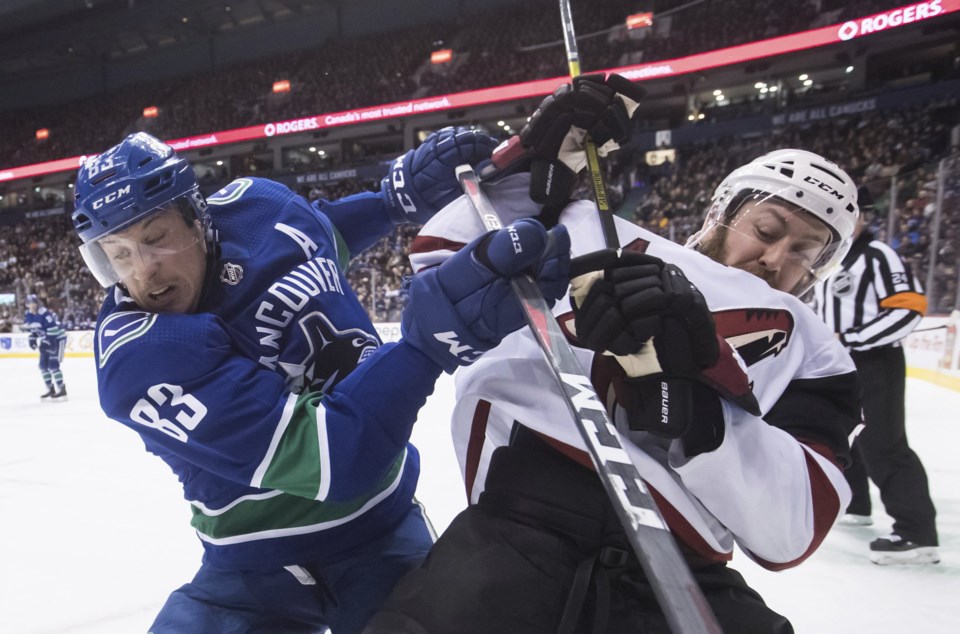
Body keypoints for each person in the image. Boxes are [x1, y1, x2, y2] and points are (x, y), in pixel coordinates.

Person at [364, 75, 862, 633]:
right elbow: (443, 253)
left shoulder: (818, 353)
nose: (775, 257)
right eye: (767, 229)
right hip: (515, 531)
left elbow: (795, 528)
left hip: (683, 564)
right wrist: (531, 160)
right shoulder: (599, 231)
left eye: (804, 252)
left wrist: (699, 413)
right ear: (720, 211)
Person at [70, 130, 570, 633]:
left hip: (382, 532)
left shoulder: (258, 205)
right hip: (247, 574)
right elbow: (340, 457)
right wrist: (426, 346)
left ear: (198, 218)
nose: (144, 275)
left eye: (155, 238)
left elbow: (316, 234)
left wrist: (392, 202)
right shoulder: (139, 356)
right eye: (118, 255)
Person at [811, 205, 938, 565]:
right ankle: (858, 504)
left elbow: (908, 307)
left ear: (864, 216)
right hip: (842, 361)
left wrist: (852, 337)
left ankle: (917, 533)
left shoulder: (879, 255)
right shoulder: (832, 258)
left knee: (885, 444)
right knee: (848, 432)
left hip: (875, 361)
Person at [23, 293, 68, 401]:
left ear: (37, 303)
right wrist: (32, 339)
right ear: (27, 304)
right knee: (43, 366)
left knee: (53, 365)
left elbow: (54, 330)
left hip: (57, 339)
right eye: (30, 303)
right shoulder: (28, 315)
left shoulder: (44, 313)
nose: (32, 305)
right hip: (46, 340)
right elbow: (33, 330)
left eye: (34, 302)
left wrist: (46, 341)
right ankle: (50, 389)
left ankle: (62, 389)